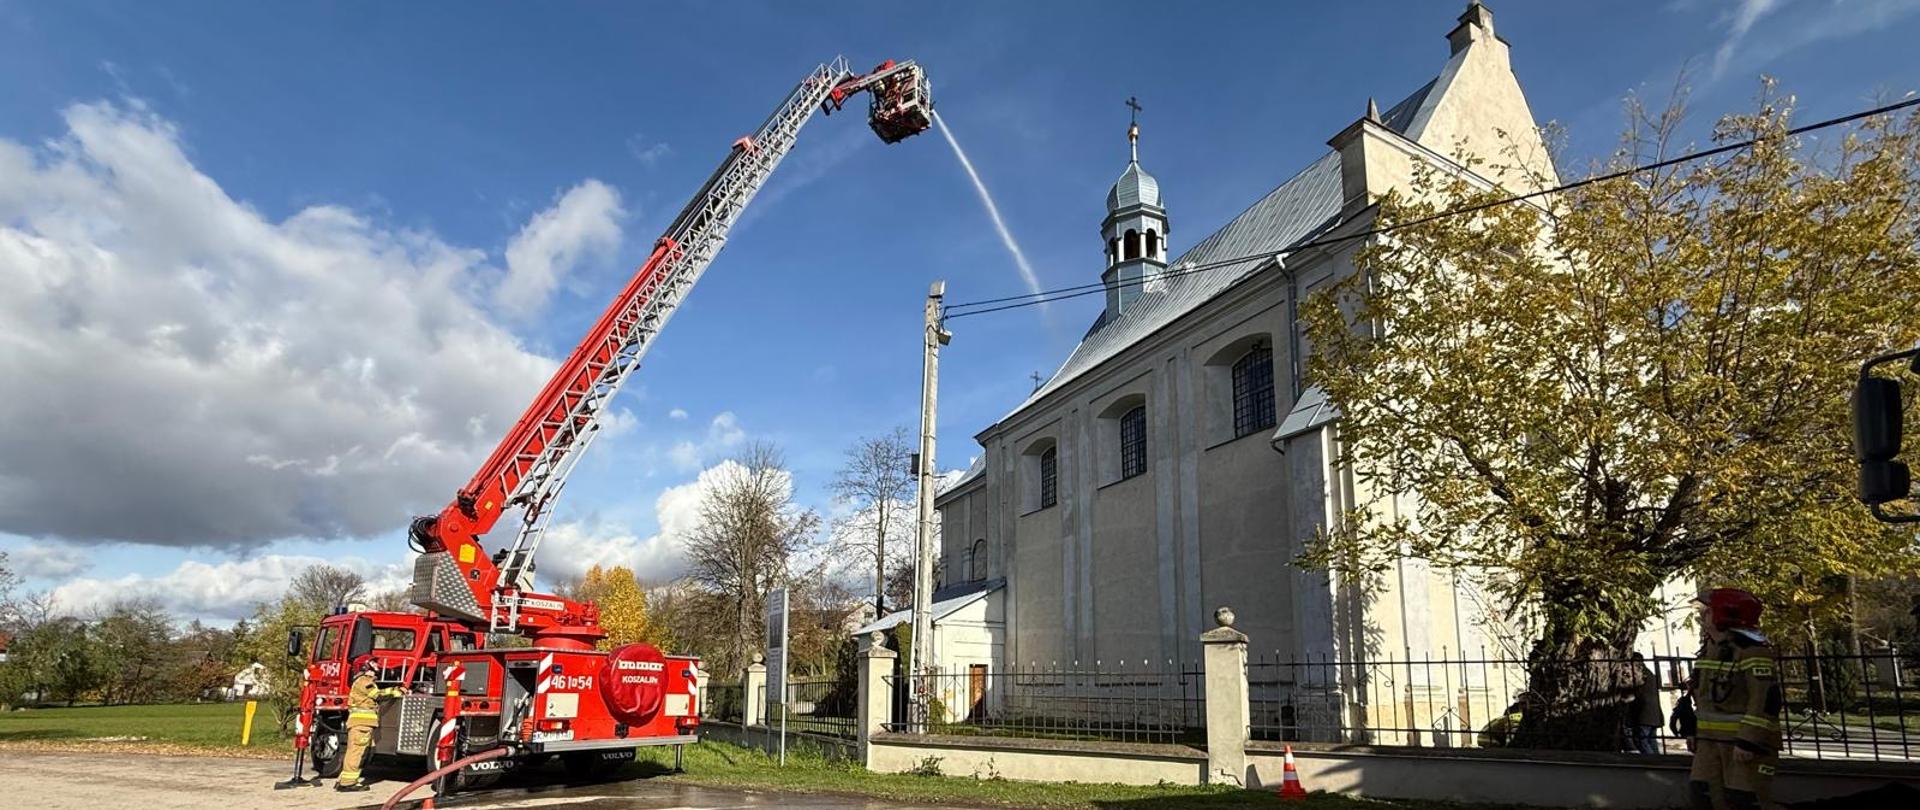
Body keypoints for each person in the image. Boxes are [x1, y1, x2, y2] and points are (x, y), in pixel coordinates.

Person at [1684, 588, 1782, 810]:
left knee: (1745, 800)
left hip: (1744, 746)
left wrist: (1749, 740)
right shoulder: (1710, 650)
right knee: (1704, 795)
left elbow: (1764, 701)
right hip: (1709, 742)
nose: (1702, 616)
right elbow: (1704, 698)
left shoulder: (1752, 651)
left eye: (1709, 611)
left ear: (1724, 614)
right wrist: (1693, 729)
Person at [335, 655, 407, 792]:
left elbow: (377, 692)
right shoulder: (364, 681)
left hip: (361, 724)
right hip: (361, 724)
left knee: (355, 751)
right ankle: (348, 783)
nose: (376, 666)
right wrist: (396, 692)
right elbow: (378, 695)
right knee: (357, 752)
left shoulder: (364, 681)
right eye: (373, 663)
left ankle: (343, 780)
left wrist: (395, 689)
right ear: (364, 666)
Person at [1628, 652, 1664, 754]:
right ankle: (1657, 760)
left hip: (1644, 714)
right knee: (1651, 741)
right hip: (1653, 714)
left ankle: (1651, 760)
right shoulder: (1649, 673)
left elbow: (1637, 693)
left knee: (1641, 740)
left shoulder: (1640, 674)